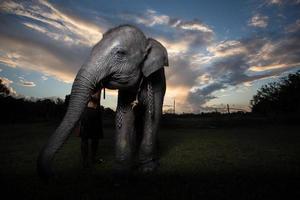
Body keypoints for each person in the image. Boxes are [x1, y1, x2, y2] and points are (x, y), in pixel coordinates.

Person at [79, 91, 103, 168]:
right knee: (84, 138)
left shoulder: (99, 83)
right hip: (87, 111)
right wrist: (88, 95)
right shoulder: (86, 84)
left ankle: (93, 158)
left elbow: (97, 98)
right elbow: (94, 97)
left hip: (96, 111)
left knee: (96, 138)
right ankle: (84, 162)